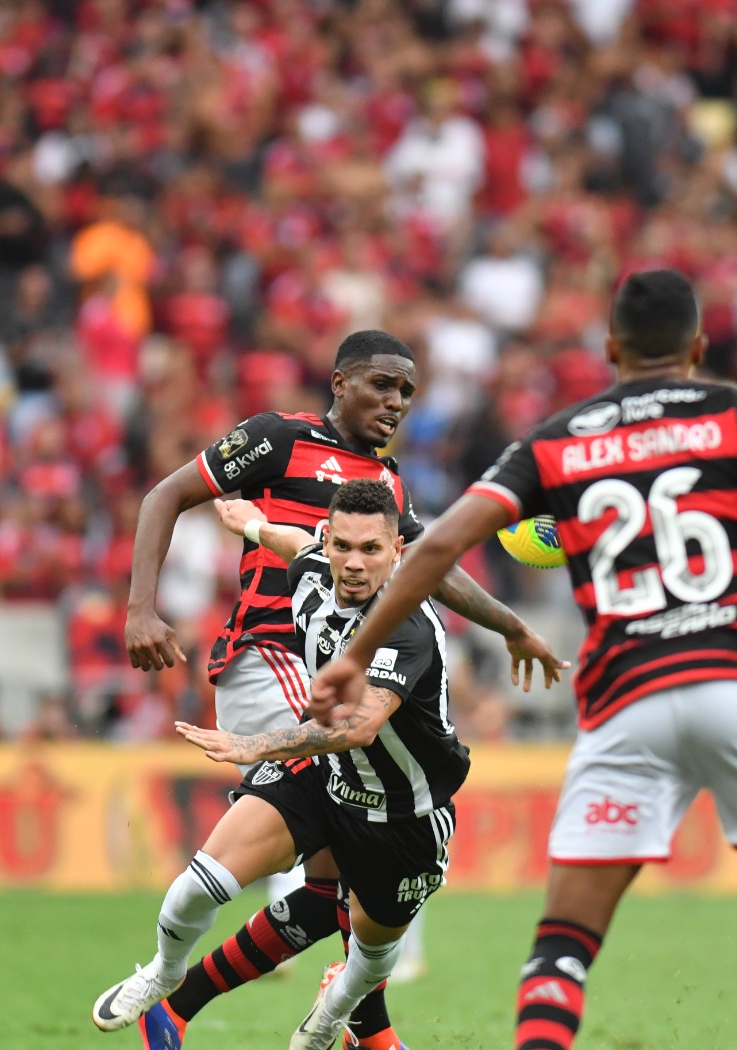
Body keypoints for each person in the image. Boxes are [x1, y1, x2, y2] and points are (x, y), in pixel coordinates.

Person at [311, 270, 737, 1050]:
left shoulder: (558, 440)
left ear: (609, 349)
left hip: (627, 696)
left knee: (564, 939)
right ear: (698, 348)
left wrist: (357, 651)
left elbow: (443, 541)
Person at [122, 329, 562, 1050]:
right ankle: (233, 996)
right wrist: (141, 606)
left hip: (333, 671)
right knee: (365, 830)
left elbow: (430, 567)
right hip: (273, 660)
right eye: (383, 386)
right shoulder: (276, 439)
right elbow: (166, 494)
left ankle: (200, 1009)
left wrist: (510, 626)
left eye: (407, 393)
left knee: (333, 885)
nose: (397, 403)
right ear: (340, 381)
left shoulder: (384, 486)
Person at [94, 480, 507, 1050]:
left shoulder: (408, 623)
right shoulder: (313, 568)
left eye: (371, 549)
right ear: (327, 542)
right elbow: (294, 544)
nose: (354, 564)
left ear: (398, 553)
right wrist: (251, 524)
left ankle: (333, 1016)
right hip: (325, 777)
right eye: (343, 547)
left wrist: (256, 746)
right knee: (197, 885)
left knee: (368, 960)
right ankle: (165, 977)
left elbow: (359, 726)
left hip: (402, 814)